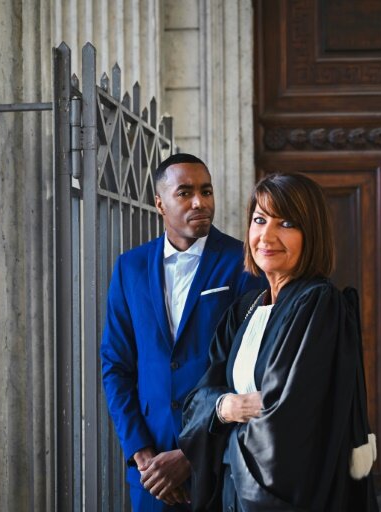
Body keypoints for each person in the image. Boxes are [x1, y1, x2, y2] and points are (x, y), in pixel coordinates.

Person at [179, 173, 379, 511]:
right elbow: (196, 402)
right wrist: (226, 407)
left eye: (286, 223)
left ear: (310, 234)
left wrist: (224, 422)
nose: (266, 236)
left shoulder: (319, 305)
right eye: (259, 220)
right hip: (232, 493)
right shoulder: (245, 309)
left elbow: (287, 422)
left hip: (278, 498)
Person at [101, 153, 267, 511]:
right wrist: (143, 456)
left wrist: (191, 455)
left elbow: (250, 370)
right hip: (152, 468)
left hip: (220, 461)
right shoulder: (130, 267)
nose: (200, 202)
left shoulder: (244, 263)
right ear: (160, 203)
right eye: (185, 193)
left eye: (206, 192)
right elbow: (116, 365)